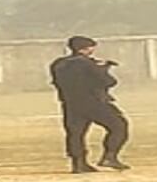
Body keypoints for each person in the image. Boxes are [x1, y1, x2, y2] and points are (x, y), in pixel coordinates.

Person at [49, 35, 130, 173]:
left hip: (70, 103)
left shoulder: (58, 64)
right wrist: (103, 69)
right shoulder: (88, 64)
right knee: (119, 126)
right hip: (95, 102)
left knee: (75, 134)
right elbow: (108, 82)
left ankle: (78, 163)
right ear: (85, 49)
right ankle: (110, 156)